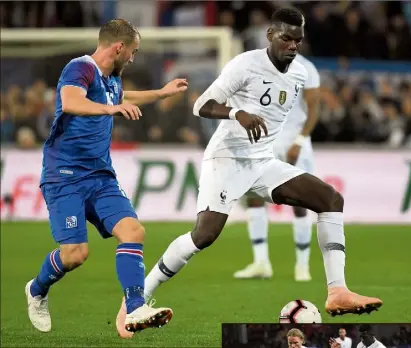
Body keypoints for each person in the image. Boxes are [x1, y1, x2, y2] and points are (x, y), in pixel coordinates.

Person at [115, 7, 383, 338]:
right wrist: (238, 113)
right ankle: (133, 302)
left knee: (330, 199)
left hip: (262, 161)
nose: (293, 45)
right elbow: (202, 105)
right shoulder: (246, 64)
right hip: (227, 158)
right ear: (271, 35)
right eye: (286, 38)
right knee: (205, 235)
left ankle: (338, 290)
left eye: (298, 40)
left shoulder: (299, 74)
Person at [24, 18, 188, 335]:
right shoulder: (79, 68)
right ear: (119, 47)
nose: (133, 58)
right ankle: (37, 290)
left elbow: (124, 98)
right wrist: (108, 110)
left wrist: (161, 93)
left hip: (100, 176)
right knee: (75, 255)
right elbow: (71, 102)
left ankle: (136, 307)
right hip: (65, 177)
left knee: (133, 231)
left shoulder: (112, 80)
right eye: (133, 52)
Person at [233, 53, 320, 281]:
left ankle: (302, 267)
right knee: (254, 197)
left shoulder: (306, 67)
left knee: (299, 201)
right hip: (264, 141)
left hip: (294, 142)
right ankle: (261, 262)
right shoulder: (258, 65)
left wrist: (300, 140)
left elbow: (313, 108)